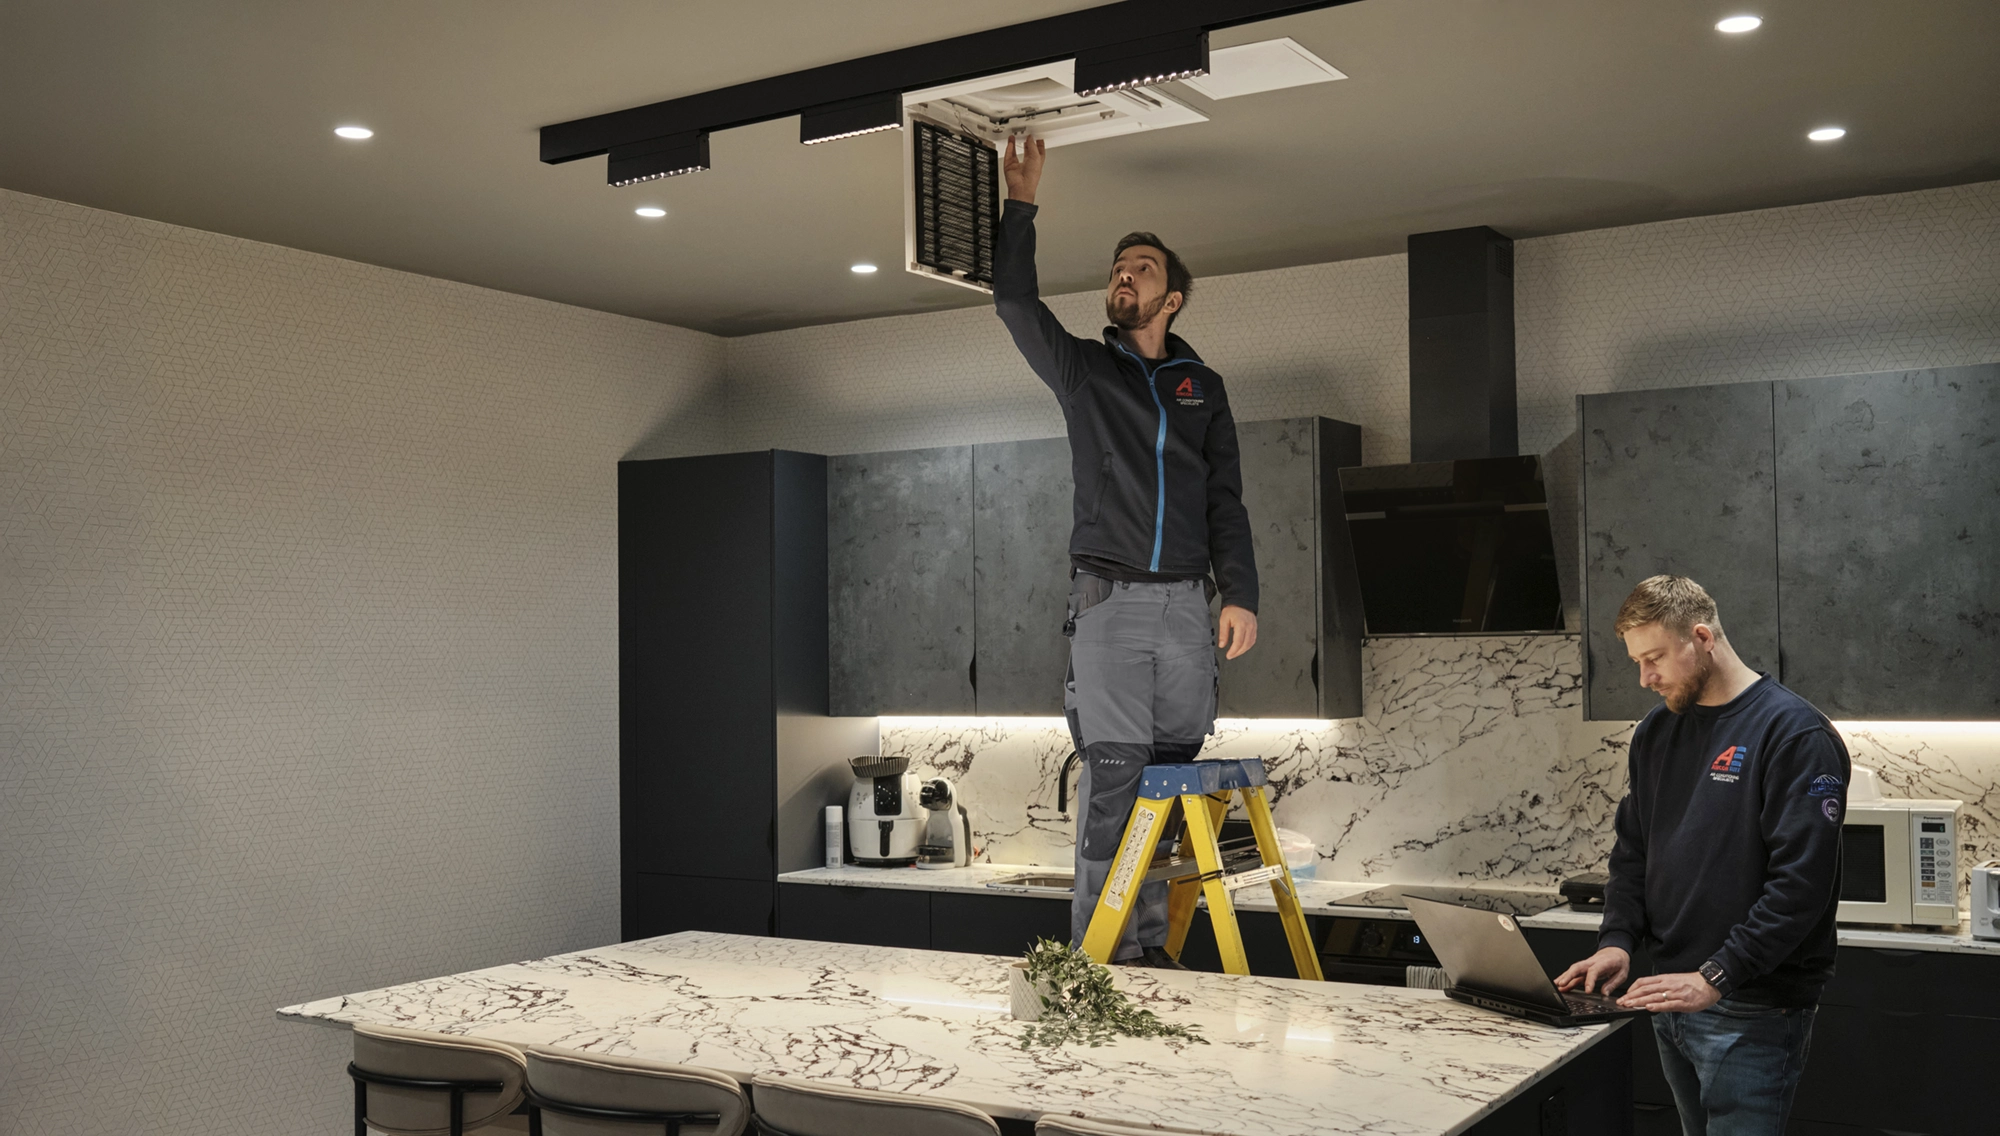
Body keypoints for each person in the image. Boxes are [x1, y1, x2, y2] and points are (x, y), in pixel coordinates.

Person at [992, 134, 1258, 969]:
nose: (1124, 275)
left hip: (1186, 606)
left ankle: (1151, 949)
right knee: (1114, 782)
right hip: (1108, 603)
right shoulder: (1084, 373)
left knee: (1168, 792)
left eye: (1141, 266)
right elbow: (1013, 306)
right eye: (1118, 266)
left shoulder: (1201, 389)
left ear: (1171, 297)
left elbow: (1226, 500)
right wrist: (1021, 206)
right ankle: (1103, 963)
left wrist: (1238, 592)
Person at [1557, 575, 1849, 1135]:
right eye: (1637, 662)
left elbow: (1801, 886)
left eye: (1655, 658)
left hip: (1753, 1005)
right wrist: (1617, 940)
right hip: (1672, 996)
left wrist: (1716, 975)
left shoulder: (1793, 733)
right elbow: (1634, 851)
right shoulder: (1655, 732)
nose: (1645, 678)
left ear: (1700, 637)